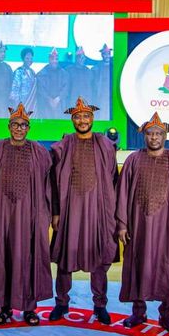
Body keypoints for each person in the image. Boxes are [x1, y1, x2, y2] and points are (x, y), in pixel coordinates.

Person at [116, 112, 169, 332]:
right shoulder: (133, 160)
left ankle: (167, 316)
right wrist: (122, 224)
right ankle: (138, 313)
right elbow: (122, 193)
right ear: (144, 135)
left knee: (168, 269)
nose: (154, 137)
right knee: (138, 267)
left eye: (158, 133)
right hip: (139, 226)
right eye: (150, 133)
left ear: (165, 136)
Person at [49, 97, 118, 324]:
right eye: (77, 117)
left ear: (92, 118)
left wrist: (112, 214)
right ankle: (62, 303)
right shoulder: (62, 146)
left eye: (86, 116)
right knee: (65, 259)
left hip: (98, 210)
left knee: (99, 259)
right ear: (72, 120)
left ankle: (100, 305)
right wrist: (56, 212)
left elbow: (113, 180)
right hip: (70, 210)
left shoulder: (105, 145)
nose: (82, 120)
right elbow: (53, 181)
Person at [0, 103, 53, 326]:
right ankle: (4, 308)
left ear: (29, 128)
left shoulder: (40, 152)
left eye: (23, 125)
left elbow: (49, 184)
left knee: (29, 257)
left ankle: (30, 309)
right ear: (9, 126)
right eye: (15, 124)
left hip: (30, 216)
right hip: (2, 215)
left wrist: (45, 215)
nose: (19, 128)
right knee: (3, 257)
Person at [36, 48, 69, 119]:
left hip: (60, 105)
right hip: (46, 106)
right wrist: (49, 99)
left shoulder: (64, 73)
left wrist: (58, 99)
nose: (54, 61)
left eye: (56, 59)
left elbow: (66, 88)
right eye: (52, 59)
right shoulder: (42, 73)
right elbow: (40, 89)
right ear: (49, 59)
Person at [8, 47, 37, 112]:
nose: (29, 60)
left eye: (31, 58)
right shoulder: (18, 71)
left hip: (32, 105)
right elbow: (14, 91)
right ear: (23, 59)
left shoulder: (33, 72)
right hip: (21, 105)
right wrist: (18, 106)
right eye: (27, 58)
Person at [91, 44, 112, 118]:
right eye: (105, 54)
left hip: (112, 94)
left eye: (108, 54)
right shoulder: (96, 68)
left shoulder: (114, 66)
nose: (107, 56)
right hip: (101, 95)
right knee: (101, 114)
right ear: (102, 55)